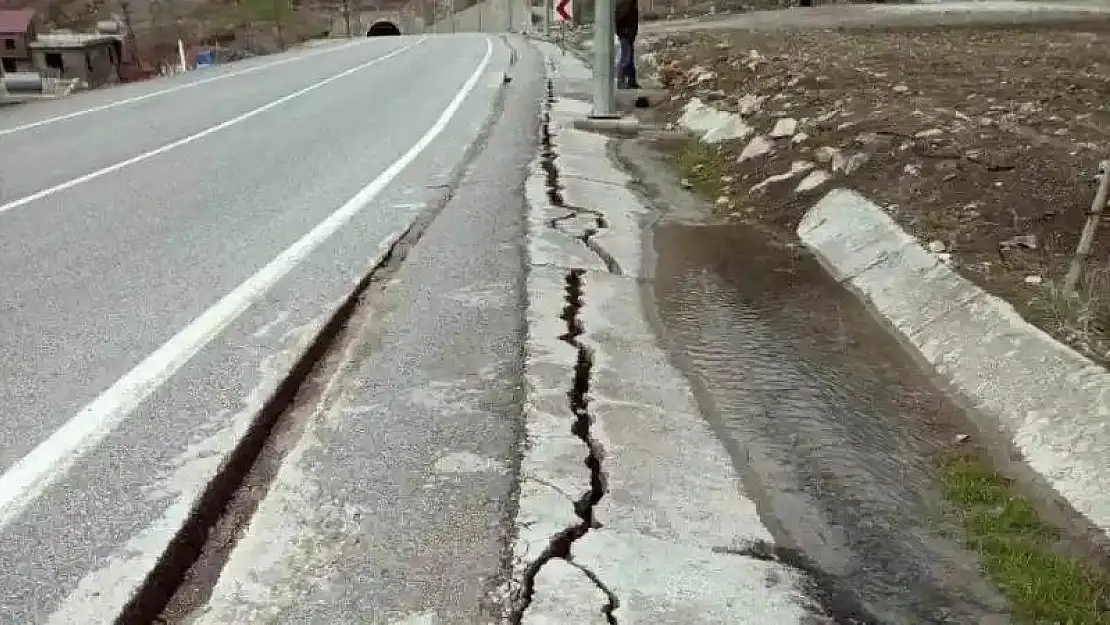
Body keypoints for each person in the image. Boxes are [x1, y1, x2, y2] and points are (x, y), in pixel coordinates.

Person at [614, 0, 640, 89]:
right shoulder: (625, 3)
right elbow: (618, 18)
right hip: (626, 34)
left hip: (629, 33)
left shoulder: (631, 3)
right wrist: (622, 31)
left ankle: (631, 81)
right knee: (625, 59)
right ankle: (621, 82)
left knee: (630, 58)